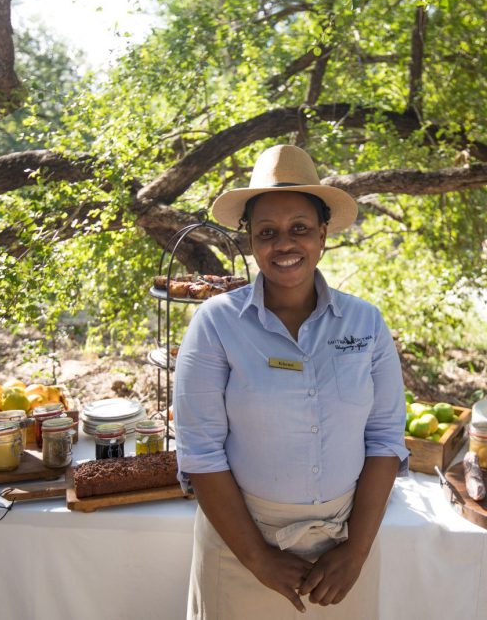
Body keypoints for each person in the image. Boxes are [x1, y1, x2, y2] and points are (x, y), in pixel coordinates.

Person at [174, 144, 408, 619]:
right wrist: (258, 558)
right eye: (268, 232)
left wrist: (356, 553)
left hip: (344, 551)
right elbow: (200, 451)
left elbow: (384, 439)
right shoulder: (216, 324)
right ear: (251, 241)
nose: (284, 243)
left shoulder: (365, 323)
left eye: (299, 228)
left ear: (323, 235)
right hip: (241, 545)